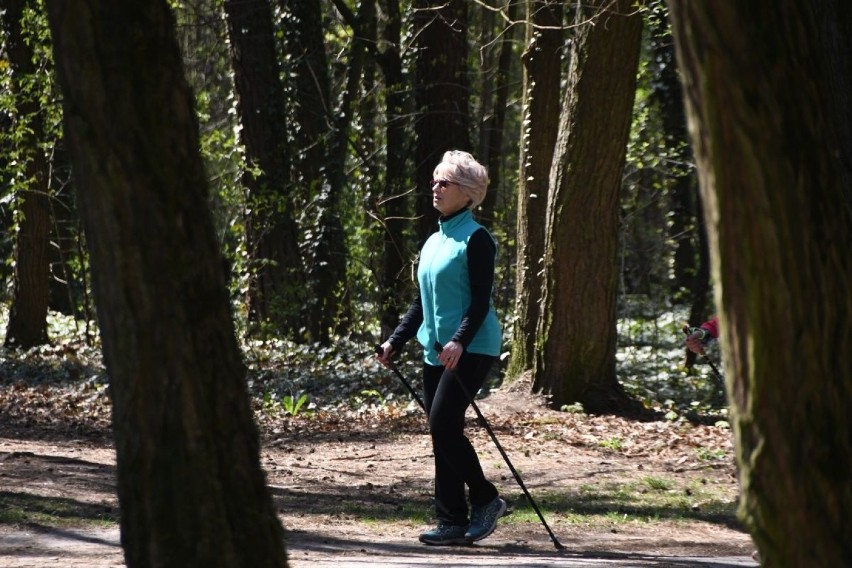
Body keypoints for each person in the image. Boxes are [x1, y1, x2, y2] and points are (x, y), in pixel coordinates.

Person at [376, 150, 505, 546]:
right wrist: (394, 341)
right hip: (436, 350)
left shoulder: (476, 239)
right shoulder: (433, 241)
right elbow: (421, 302)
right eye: (434, 179)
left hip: (472, 346)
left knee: (444, 425)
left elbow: (480, 301)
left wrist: (459, 341)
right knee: (441, 432)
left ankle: (487, 499)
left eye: (443, 182)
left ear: (466, 194)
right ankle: (451, 520)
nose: (434, 186)